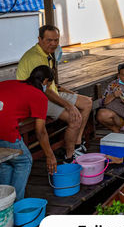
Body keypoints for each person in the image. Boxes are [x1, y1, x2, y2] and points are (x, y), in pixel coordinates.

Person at [17, 25, 92, 163]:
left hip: (50, 92)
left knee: (87, 102)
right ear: (40, 39)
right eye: (49, 40)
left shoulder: (46, 52)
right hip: (37, 98)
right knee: (75, 118)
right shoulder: (35, 57)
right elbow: (46, 91)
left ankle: (77, 142)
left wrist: (64, 91)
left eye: (56, 40)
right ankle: (69, 156)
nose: (53, 44)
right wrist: (69, 106)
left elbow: (49, 86)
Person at [0, 66, 57, 200]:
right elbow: (41, 131)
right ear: (45, 81)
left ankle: (4, 203)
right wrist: (50, 155)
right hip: (6, 132)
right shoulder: (39, 96)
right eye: (48, 84)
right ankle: (16, 203)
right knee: (24, 161)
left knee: (5, 163)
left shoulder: (11, 83)